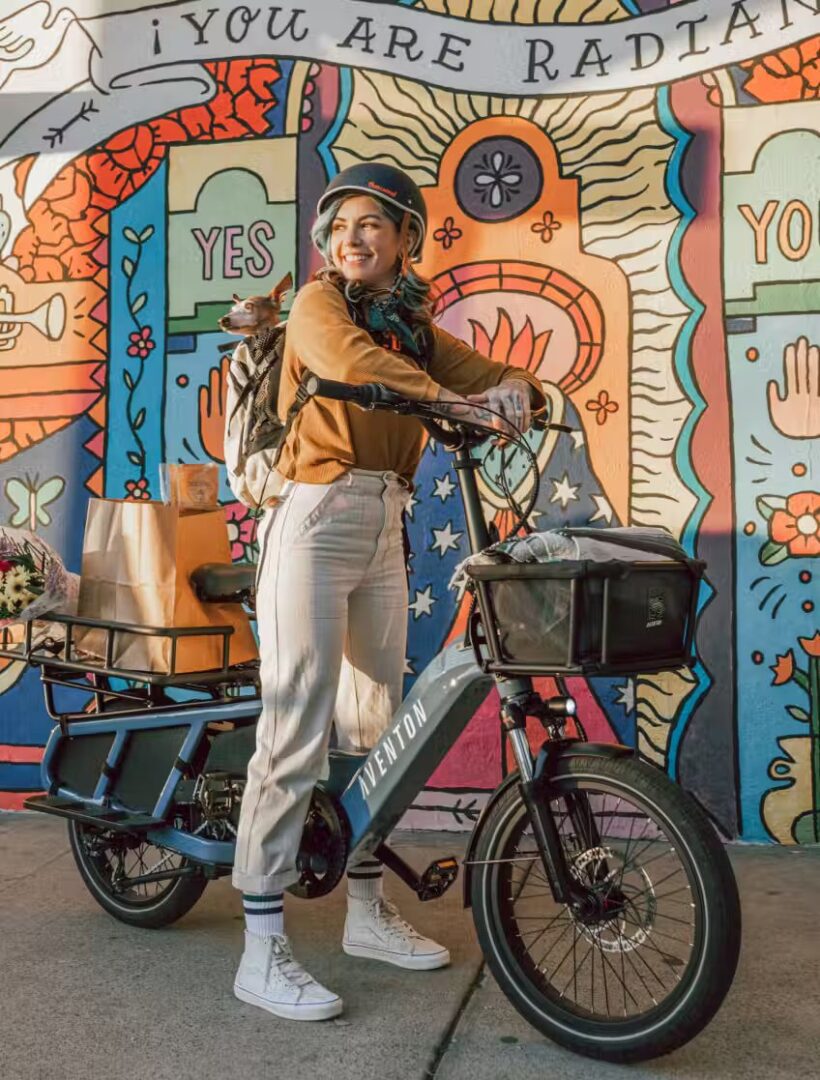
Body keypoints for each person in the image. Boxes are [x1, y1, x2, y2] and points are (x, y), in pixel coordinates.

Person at [230, 163, 546, 1021]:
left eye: (373, 224)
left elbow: (477, 369)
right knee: (296, 721)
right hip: (315, 514)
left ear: (407, 238)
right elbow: (344, 361)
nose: (352, 239)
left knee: (378, 729)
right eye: (340, 228)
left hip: (382, 519)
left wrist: (522, 391)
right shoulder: (318, 307)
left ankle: (366, 913)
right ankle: (260, 949)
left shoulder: (412, 324)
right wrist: (449, 397)